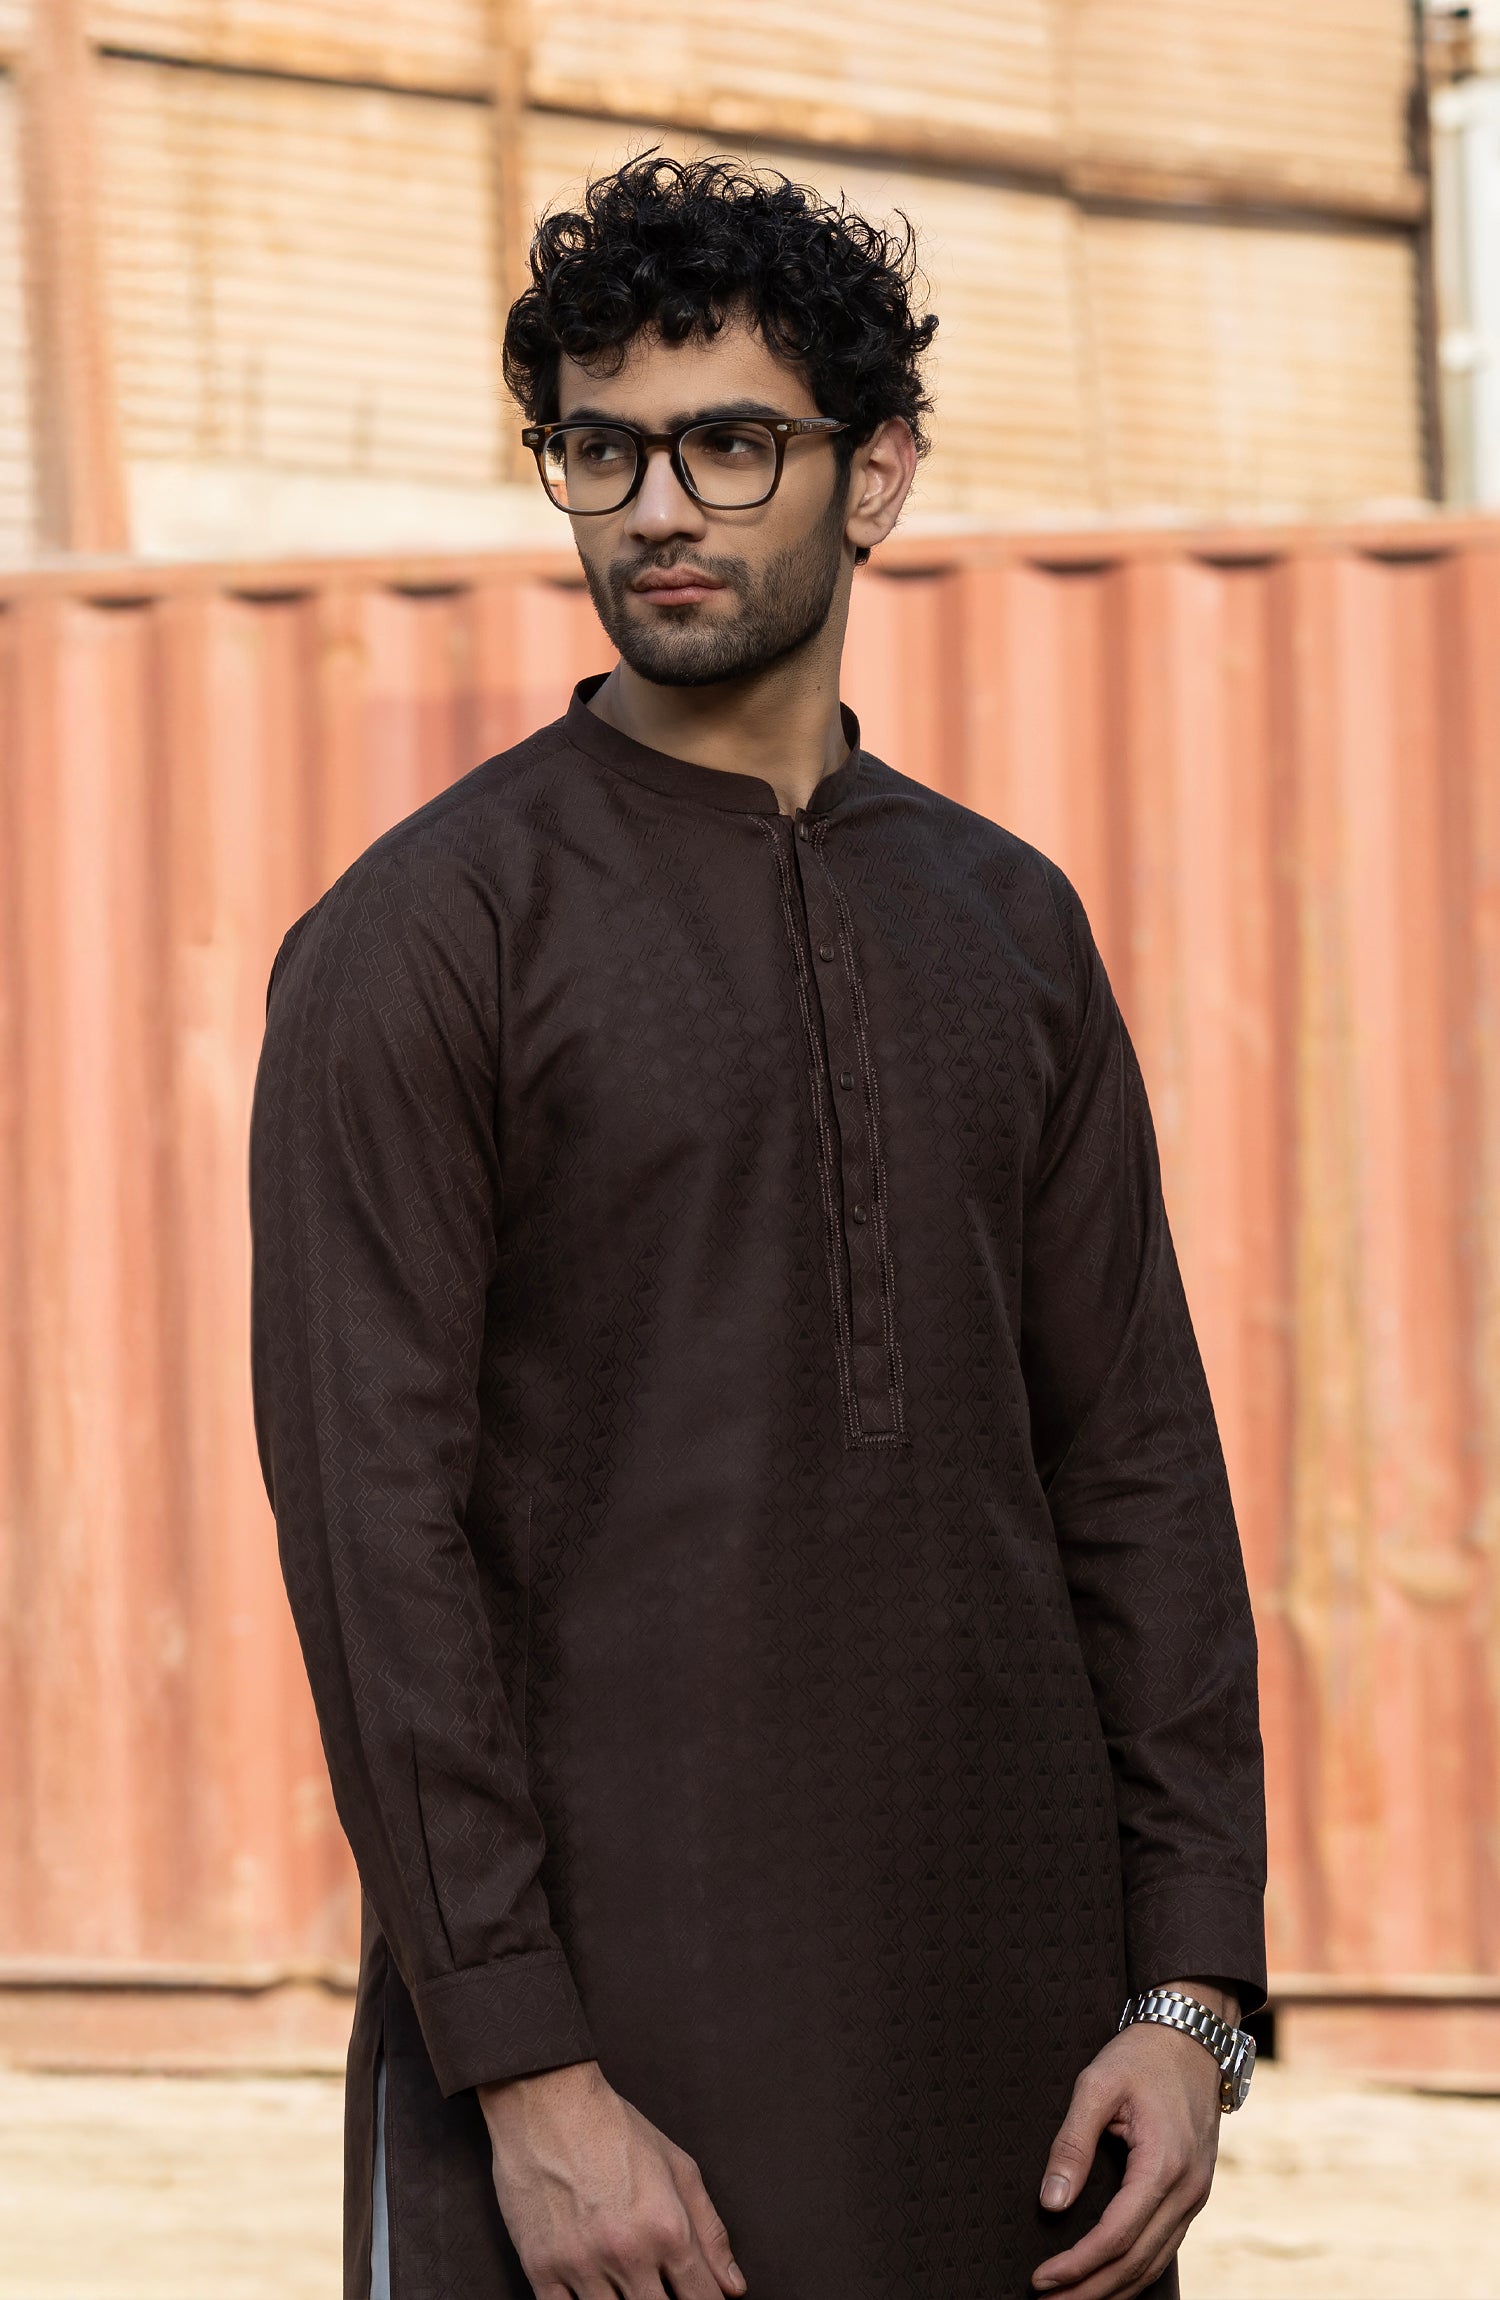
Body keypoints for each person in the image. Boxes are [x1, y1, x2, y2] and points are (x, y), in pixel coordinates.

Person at [250, 155, 1265, 2300]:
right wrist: (529, 2076)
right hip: (613, 2116)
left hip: (1026, 2099)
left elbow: (1138, 1471)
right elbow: (375, 1539)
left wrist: (1191, 1996)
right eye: (600, 451)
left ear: (874, 473)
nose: (655, 509)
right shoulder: (429, 935)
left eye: (727, 443)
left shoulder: (1008, 924)